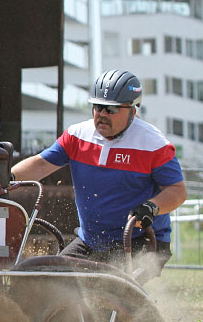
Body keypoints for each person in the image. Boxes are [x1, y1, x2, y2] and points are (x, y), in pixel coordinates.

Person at [11, 69, 186, 279]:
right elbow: (40, 165)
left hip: (142, 241)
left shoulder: (154, 145)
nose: (102, 114)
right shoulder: (77, 136)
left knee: (108, 297)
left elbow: (177, 191)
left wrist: (152, 206)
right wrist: (4, 180)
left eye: (111, 109)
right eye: (98, 106)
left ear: (132, 110)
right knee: (52, 283)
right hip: (91, 241)